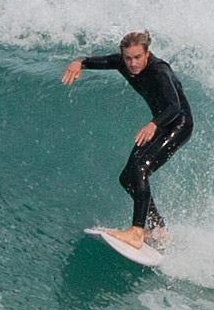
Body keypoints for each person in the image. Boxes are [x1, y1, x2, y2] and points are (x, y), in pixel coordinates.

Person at [62, 31, 193, 249]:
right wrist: (79, 62)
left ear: (146, 53)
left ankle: (136, 232)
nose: (132, 63)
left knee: (140, 169)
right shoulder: (124, 62)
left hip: (178, 124)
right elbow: (100, 60)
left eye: (137, 58)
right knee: (127, 177)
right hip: (160, 124)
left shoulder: (159, 71)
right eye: (128, 58)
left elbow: (174, 106)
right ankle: (157, 228)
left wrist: (153, 125)